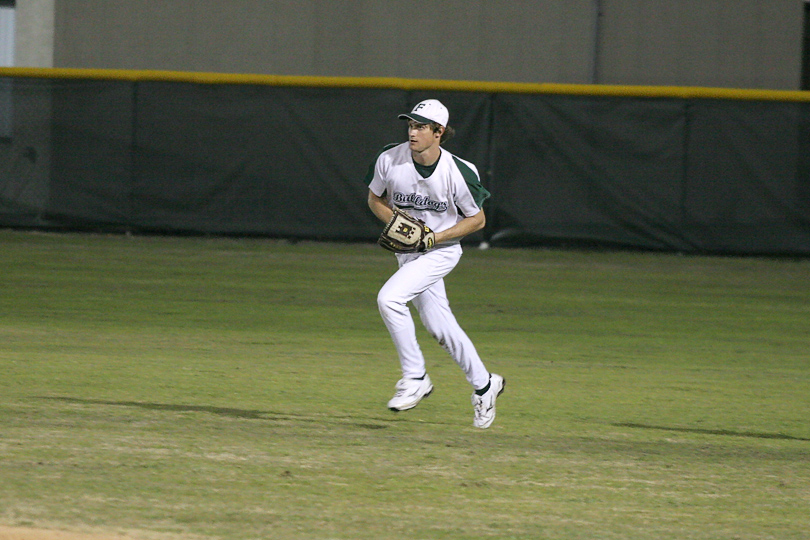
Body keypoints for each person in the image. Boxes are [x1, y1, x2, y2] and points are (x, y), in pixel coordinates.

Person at [365, 99, 505, 429]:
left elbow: (478, 220)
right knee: (440, 327)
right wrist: (398, 223)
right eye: (410, 125)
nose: (412, 132)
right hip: (408, 251)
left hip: (441, 250)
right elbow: (375, 199)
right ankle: (485, 385)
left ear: (438, 132)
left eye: (420, 127)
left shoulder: (458, 171)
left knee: (389, 298)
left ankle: (415, 378)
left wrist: (431, 238)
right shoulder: (390, 159)